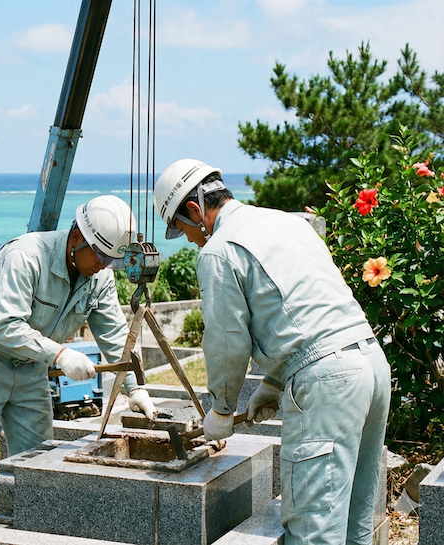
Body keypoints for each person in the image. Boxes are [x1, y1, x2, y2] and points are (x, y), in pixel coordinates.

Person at [153, 158, 390, 545]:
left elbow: (226, 342)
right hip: (370, 363)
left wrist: (222, 409)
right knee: (353, 523)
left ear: (195, 210)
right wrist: (275, 383)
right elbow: (305, 308)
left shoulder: (219, 251)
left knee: (314, 531)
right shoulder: (286, 222)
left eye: (182, 229)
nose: (191, 239)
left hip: (328, 384)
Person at [0, 195, 158, 524]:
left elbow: (115, 333)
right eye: (100, 255)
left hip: (31, 365)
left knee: (37, 462)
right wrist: (60, 353)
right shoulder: (25, 256)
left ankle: (23, 532)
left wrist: (135, 387)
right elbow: (6, 326)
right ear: (77, 237)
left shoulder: (98, 277)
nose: (104, 265)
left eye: (111, 259)